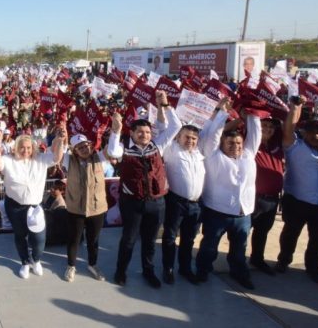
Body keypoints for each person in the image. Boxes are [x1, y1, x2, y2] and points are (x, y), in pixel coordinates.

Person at [106, 90, 180, 288]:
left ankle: (149, 271)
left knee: (150, 241)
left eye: (147, 132)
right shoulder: (124, 148)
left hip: (156, 203)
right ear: (132, 133)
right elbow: (112, 151)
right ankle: (121, 271)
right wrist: (115, 131)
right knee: (129, 240)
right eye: (140, 132)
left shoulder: (158, 146)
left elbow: (176, 126)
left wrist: (165, 105)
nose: (144, 135)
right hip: (132, 203)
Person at [195, 98, 262, 290]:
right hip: (217, 212)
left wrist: (253, 113)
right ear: (222, 143)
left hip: (243, 214)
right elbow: (213, 135)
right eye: (231, 142)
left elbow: (255, 135)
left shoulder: (248, 156)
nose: (236, 146)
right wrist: (222, 112)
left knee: (240, 249)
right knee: (209, 246)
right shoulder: (213, 156)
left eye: (239, 143)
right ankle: (203, 270)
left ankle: (239, 273)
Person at [0, 122, 65, 279]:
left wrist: (60, 140)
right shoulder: (9, 159)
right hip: (15, 206)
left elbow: (56, 157)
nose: (25, 151)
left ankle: (36, 260)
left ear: (33, 148)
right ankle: (24, 262)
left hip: (34, 207)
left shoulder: (41, 159)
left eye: (28, 148)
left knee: (39, 238)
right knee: (20, 236)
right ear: (16, 148)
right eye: (22, 147)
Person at [275, 97, 318, 284]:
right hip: (297, 201)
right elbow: (288, 129)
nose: (316, 135)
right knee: (290, 234)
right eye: (312, 132)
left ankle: (314, 269)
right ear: (305, 133)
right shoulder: (294, 147)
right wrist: (295, 107)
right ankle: (283, 261)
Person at [61, 127, 120, 283]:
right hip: (76, 209)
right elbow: (59, 151)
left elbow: (113, 150)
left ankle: (92, 265)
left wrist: (116, 131)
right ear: (74, 151)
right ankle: (71, 266)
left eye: (86, 145)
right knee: (74, 239)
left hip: (97, 209)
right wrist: (61, 137)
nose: (84, 149)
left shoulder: (100, 158)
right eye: (80, 147)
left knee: (93, 240)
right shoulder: (68, 161)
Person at [160, 120, 208, 285]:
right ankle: (168, 268)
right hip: (176, 202)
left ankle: (185, 268)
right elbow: (165, 128)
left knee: (188, 239)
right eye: (186, 137)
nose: (190, 141)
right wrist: (164, 108)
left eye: (194, 138)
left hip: (196, 204)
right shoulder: (171, 150)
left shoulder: (199, 154)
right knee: (170, 237)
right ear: (178, 137)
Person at [249, 116, 284, 275]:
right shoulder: (251, 143)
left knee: (262, 232)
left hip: (272, 199)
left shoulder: (276, 145)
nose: (268, 129)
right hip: (254, 198)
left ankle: (257, 259)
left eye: (271, 126)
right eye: (264, 125)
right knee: (242, 232)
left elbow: (287, 126)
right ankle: (237, 263)